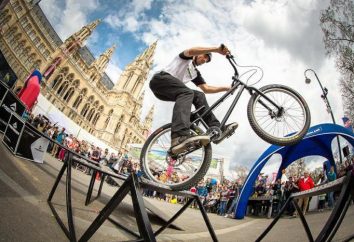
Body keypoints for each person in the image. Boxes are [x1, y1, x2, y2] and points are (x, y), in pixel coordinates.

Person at [149, 45, 238, 154]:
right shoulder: (186, 58)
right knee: (187, 92)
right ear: (198, 54)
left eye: (207, 60)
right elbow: (191, 51)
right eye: (205, 57)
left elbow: (207, 88)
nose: (204, 60)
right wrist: (216, 50)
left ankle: (216, 128)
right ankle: (179, 136)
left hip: (170, 91)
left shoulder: (195, 73)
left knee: (199, 95)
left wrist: (227, 88)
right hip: (160, 80)